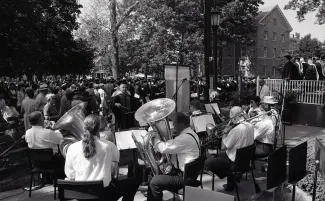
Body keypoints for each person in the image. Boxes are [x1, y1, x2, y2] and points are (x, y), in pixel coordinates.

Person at [64, 114, 139, 201]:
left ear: (83, 128)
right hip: (104, 195)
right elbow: (115, 168)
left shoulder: (72, 148)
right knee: (133, 182)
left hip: (81, 195)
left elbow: (70, 174)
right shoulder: (109, 146)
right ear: (99, 128)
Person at [147, 112, 200, 201]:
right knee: (152, 177)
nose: (173, 127)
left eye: (174, 124)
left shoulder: (184, 138)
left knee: (154, 182)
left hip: (183, 178)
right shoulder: (192, 133)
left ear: (181, 124)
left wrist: (153, 138)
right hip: (189, 174)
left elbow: (163, 148)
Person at [205, 106, 254, 191]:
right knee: (219, 154)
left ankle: (232, 175)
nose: (230, 119)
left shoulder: (236, 130)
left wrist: (225, 132)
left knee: (208, 162)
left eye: (230, 117)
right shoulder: (250, 125)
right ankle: (231, 183)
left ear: (234, 116)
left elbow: (223, 147)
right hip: (245, 159)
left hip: (235, 162)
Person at [25, 111, 64, 178]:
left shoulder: (27, 133)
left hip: (36, 163)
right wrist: (55, 129)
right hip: (51, 163)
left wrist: (47, 130)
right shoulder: (48, 133)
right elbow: (61, 140)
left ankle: (45, 178)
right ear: (40, 120)